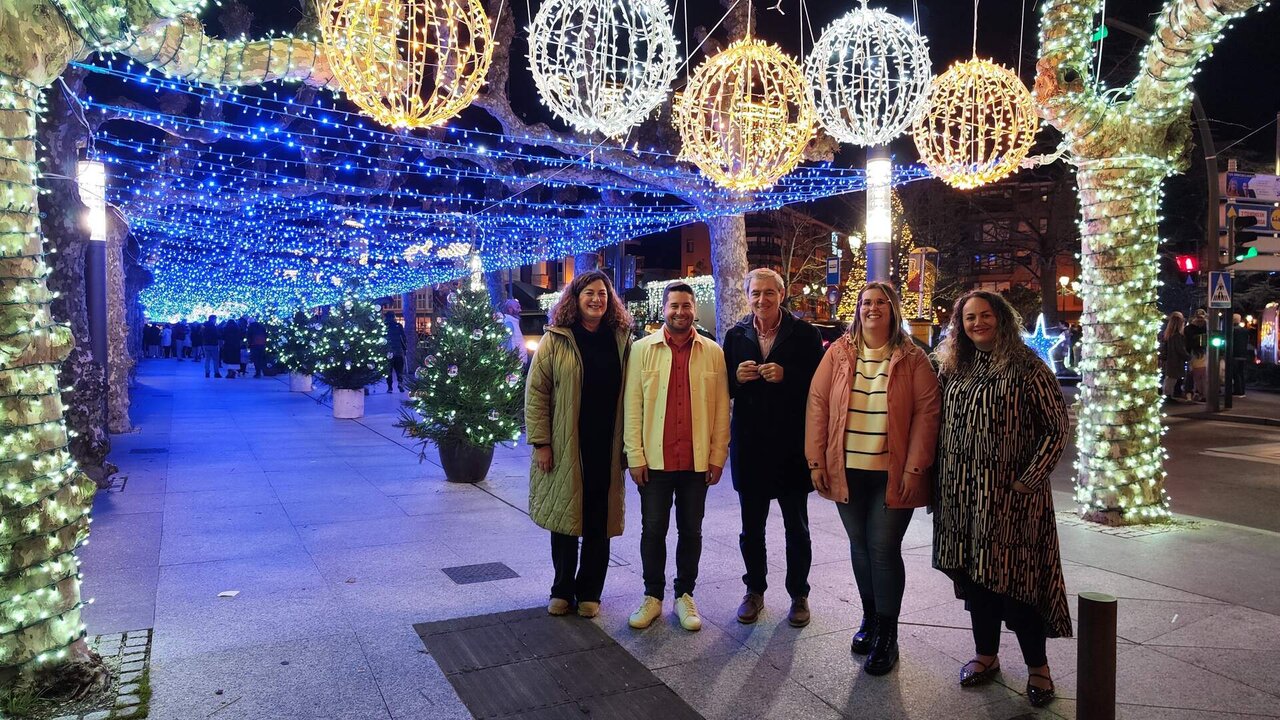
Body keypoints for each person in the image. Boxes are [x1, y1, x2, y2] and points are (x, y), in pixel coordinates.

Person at [932, 290, 1071, 709]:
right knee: (976, 580)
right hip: (960, 496)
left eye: (985, 315)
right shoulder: (954, 367)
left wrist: (1029, 480)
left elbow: (1057, 427)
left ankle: (1038, 668)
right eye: (969, 318)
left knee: (1017, 583)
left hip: (1010, 502)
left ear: (1001, 319)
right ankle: (985, 655)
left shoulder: (1028, 367)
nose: (977, 324)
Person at [804, 281, 939, 675]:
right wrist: (816, 461)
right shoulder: (840, 354)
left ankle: (888, 634)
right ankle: (870, 619)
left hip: (892, 473)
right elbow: (818, 404)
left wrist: (916, 468)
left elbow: (927, 416)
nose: (873, 308)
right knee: (860, 546)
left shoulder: (913, 358)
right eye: (866, 302)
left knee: (882, 548)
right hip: (846, 469)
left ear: (893, 310)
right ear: (857, 309)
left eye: (881, 302)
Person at [525, 270, 633, 618]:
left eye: (602, 293)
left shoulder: (621, 339)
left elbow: (635, 393)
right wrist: (541, 442)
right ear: (575, 297)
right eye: (589, 293)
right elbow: (536, 393)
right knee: (566, 519)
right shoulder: (556, 339)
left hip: (607, 444)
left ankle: (590, 592)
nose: (596, 299)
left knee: (599, 522)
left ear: (610, 299)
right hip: (566, 442)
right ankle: (562, 589)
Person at [624, 282, 730, 632]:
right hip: (655, 461)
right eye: (674, 306)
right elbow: (633, 407)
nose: (680, 312)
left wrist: (717, 456)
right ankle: (652, 596)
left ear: (694, 309)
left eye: (686, 306)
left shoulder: (713, 352)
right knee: (653, 529)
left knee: (691, 531)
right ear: (664, 309)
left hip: (696, 462)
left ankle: (685, 594)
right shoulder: (642, 349)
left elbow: (720, 410)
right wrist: (634, 456)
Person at [722, 268, 823, 628]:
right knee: (752, 528)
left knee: (797, 527)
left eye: (769, 292)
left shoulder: (805, 333)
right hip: (750, 445)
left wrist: (787, 376)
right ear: (747, 297)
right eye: (755, 293)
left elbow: (818, 388)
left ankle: (799, 595)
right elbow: (723, 389)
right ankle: (755, 591)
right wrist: (736, 378)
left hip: (791, 446)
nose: (762, 299)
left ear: (782, 295)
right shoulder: (736, 335)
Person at [1160, 312, 1190, 401]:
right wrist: (1188, 357)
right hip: (1175, 361)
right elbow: (1180, 349)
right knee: (1171, 379)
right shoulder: (1177, 336)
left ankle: (1167, 394)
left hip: (1170, 360)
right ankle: (1167, 395)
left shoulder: (1168, 335)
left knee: (1169, 379)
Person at [1185, 309, 1208, 401]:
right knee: (1191, 374)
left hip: (1203, 353)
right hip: (1194, 353)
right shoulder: (1190, 328)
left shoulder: (1206, 327)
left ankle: (1200, 392)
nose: (1200, 320)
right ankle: (1190, 392)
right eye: (1198, 318)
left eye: (1201, 318)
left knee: (1201, 375)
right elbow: (1188, 340)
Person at [1229, 314, 1253, 397]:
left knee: (1235, 373)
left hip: (1234, 354)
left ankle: (1237, 390)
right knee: (1241, 373)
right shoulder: (1245, 331)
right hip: (1243, 354)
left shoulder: (1232, 330)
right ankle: (1242, 390)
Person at [502, 299, 529, 368]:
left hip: (518, 360)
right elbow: (506, 342)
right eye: (517, 307)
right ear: (510, 309)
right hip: (515, 362)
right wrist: (513, 359)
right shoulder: (509, 323)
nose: (520, 310)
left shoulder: (513, 322)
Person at [384, 312, 407, 392]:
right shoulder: (399, 326)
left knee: (388, 370)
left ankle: (390, 387)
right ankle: (400, 383)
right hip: (398, 351)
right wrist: (404, 349)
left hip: (388, 352)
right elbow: (403, 338)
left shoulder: (384, 327)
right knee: (399, 370)